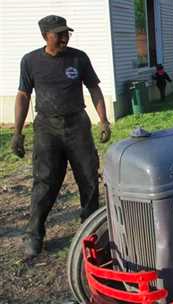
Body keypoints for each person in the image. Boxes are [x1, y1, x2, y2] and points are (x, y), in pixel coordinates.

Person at [10, 15, 112, 259]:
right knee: (44, 182)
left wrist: (104, 120)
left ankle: (90, 231)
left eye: (67, 33)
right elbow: (23, 95)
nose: (65, 37)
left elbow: (94, 88)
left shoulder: (79, 58)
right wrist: (17, 132)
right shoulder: (30, 61)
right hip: (47, 128)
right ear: (46, 36)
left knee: (88, 178)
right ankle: (34, 235)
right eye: (59, 34)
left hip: (77, 124)